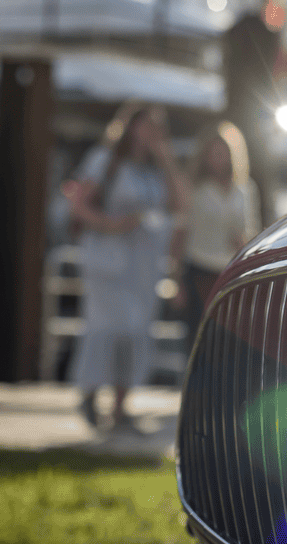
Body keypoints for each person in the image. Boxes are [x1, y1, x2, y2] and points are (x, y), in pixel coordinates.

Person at [66, 102, 187, 429]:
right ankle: (91, 393)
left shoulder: (155, 169)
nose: (151, 133)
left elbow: (181, 206)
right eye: (146, 125)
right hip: (108, 261)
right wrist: (113, 224)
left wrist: (166, 157)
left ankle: (121, 407)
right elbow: (79, 206)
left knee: (136, 332)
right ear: (131, 126)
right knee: (108, 329)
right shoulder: (105, 161)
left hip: (144, 265)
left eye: (157, 127)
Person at [180, 122, 260, 349]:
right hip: (200, 266)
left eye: (222, 152)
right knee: (200, 335)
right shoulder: (196, 190)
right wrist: (176, 278)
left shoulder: (246, 189)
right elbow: (183, 229)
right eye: (213, 153)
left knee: (231, 337)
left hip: (231, 271)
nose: (218, 158)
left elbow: (252, 230)